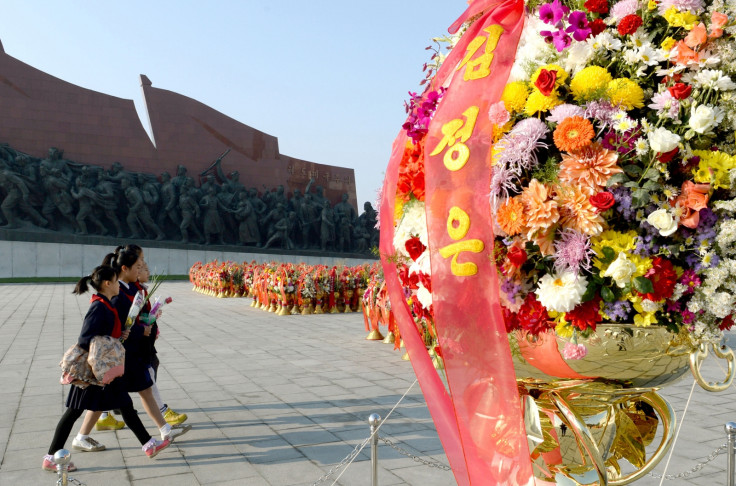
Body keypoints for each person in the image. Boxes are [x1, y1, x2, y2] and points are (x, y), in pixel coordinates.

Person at [43, 265, 170, 472]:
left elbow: (104, 334)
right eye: (115, 279)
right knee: (73, 412)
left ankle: (149, 444)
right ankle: (50, 457)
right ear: (106, 284)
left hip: (104, 371)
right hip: (91, 372)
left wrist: (119, 337)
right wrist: (108, 343)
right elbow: (85, 338)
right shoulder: (98, 307)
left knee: (125, 405)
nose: (119, 284)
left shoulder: (106, 304)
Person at [107, 248, 190, 443]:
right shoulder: (118, 294)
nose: (141, 270)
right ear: (124, 268)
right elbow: (117, 326)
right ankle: (152, 439)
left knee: (145, 389)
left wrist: (148, 320)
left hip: (134, 351)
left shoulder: (131, 289)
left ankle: (164, 430)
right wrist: (139, 330)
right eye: (138, 267)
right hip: (124, 353)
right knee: (100, 400)